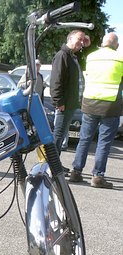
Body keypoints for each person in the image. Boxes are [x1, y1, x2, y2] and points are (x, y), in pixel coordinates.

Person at [68, 33, 123, 189]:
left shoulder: (91, 57)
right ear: (116, 45)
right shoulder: (120, 58)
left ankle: (76, 172)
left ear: (102, 43)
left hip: (89, 104)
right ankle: (97, 176)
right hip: (110, 107)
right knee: (103, 143)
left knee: (84, 139)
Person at [50, 30, 89, 160]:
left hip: (70, 104)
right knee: (58, 135)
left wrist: (86, 45)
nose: (82, 42)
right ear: (70, 39)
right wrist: (59, 102)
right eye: (79, 39)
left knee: (61, 136)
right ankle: (51, 168)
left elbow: (85, 63)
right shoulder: (62, 55)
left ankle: (55, 166)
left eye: (83, 40)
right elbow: (56, 80)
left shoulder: (73, 56)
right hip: (64, 104)